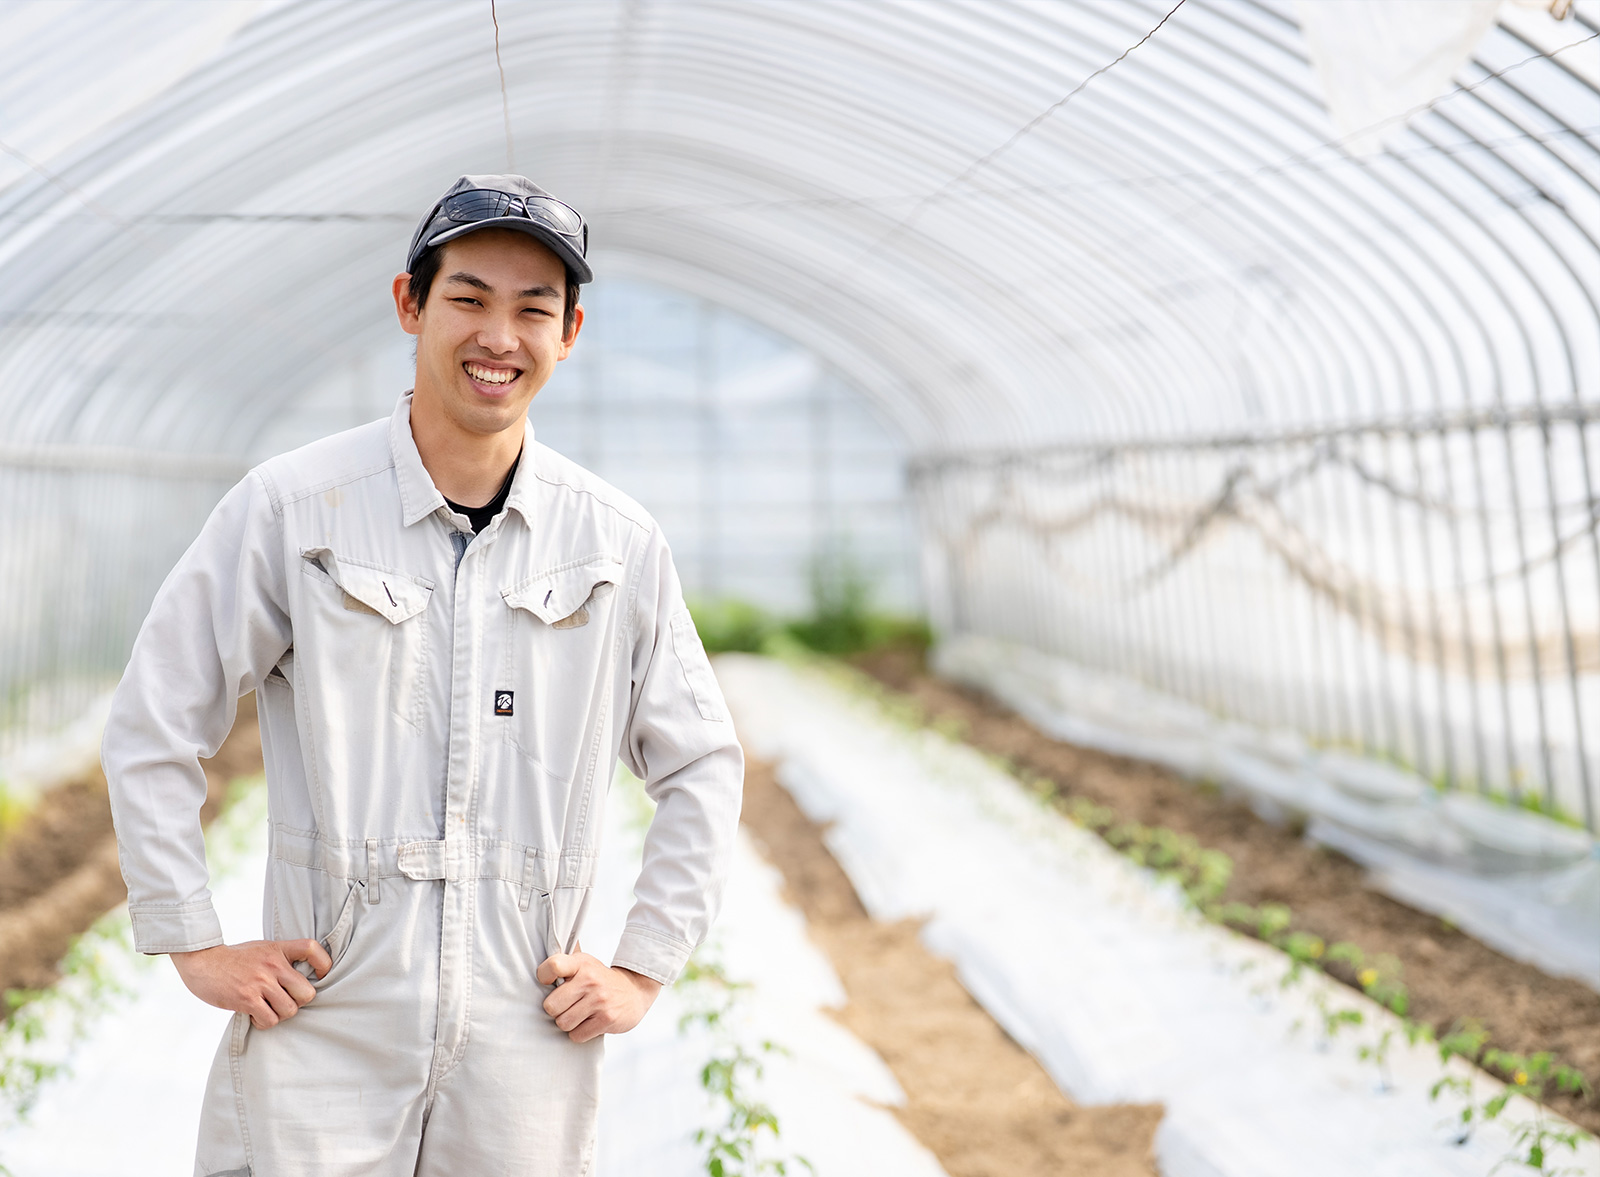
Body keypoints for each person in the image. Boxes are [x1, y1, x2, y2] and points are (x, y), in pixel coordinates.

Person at [101, 174, 744, 1176]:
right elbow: (154, 720)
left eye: (534, 310)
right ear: (410, 303)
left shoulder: (611, 541)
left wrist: (642, 965)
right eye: (469, 298)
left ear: (570, 333)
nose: (501, 336)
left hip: (528, 1016)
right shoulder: (295, 509)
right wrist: (191, 939)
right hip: (329, 1001)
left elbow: (700, 759)